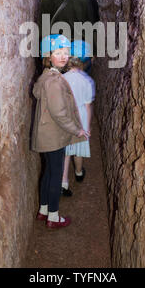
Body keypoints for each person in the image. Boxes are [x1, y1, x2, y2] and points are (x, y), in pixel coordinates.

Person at [31, 34, 88, 229]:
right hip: (54, 136)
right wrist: (77, 130)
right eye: (58, 53)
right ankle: (53, 217)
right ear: (48, 56)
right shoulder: (54, 82)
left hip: (47, 135)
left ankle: (44, 209)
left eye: (65, 53)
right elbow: (59, 113)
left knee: (49, 172)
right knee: (55, 175)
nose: (63, 56)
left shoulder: (47, 76)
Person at [61, 40, 95, 197]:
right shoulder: (87, 81)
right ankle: (79, 172)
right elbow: (88, 106)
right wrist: (87, 127)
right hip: (81, 115)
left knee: (66, 150)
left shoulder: (62, 79)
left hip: (67, 115)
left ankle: (64, 182)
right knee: (78, 149)